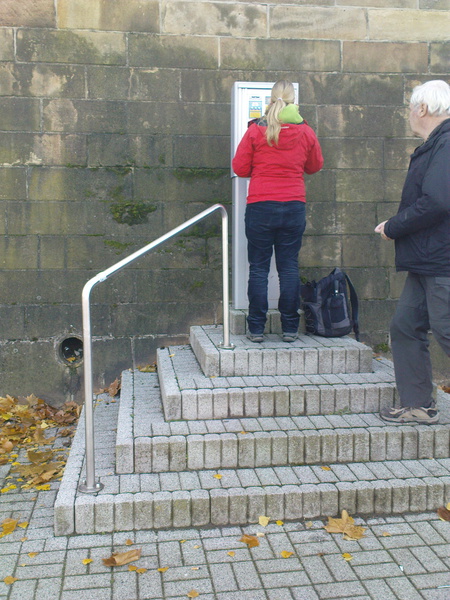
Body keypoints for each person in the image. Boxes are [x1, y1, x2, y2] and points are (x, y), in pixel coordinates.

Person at [375, 79, 450, 424]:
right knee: (405, 326)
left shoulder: (446, 144)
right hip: (426, 259)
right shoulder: (435, 144)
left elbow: (436, 201)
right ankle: (419, 404)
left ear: (421, 109)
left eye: (410, 107)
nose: (409, 114)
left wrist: (394, 226)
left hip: (442, 261)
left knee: (446, 329)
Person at [232, 80, 324, 343]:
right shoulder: (305, 131)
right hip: (293, 205)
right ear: (294, 100)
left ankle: (257, 328)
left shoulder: (256, 130)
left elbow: (240, 168)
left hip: (261, 205)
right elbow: (315, 165)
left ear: (270, 99)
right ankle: (290, 328)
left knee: (259, 268)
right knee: (288, 267)